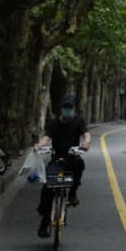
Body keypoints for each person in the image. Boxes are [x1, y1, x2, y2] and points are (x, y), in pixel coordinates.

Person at [36, 94, 90, 236]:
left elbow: (86, 134)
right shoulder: (53, 123)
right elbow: (46, 137)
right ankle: (45, 221)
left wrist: (86, 143)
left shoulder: (78, 121)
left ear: (73, 108)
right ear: (61, 109)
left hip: (72, 158)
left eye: (70, 108)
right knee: (47, 187)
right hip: (57, 159)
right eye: (65, 107)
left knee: (79, 164)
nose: (68, 110)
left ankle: (73, 193)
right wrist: (39, 145)